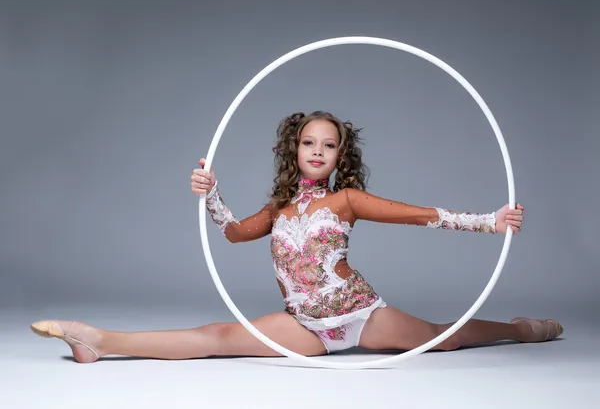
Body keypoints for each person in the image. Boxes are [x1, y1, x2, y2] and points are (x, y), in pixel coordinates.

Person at [30, 111, 563, 363]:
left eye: (327, 146)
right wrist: (211, 193)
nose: (316, 151)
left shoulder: (346, 199)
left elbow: (417, 214)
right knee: (217, 338)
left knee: (446, 337)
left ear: (339, 156)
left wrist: (488, 222)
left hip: (359, 315)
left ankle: (522, 330)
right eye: (308, 142)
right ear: (295, 149)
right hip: (304, 326)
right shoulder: (280, 208)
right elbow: (236, 235)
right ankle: (99, 340)